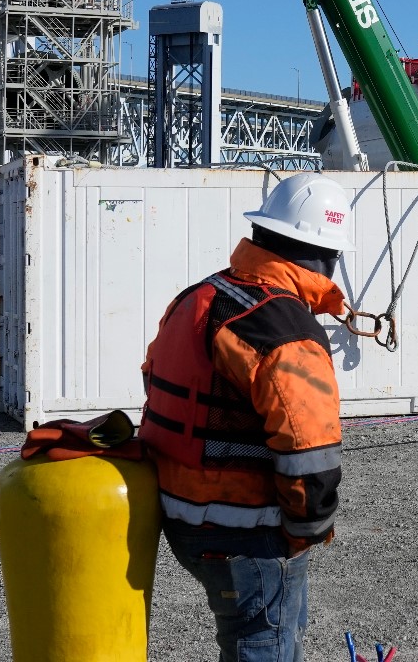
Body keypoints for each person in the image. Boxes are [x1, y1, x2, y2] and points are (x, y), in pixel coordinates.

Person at [140, 173, 354, 661]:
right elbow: (310, 455)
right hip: (248, 532)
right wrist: (308, 531)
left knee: (276, 632)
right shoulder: (285, 328)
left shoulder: (197, 297)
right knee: (265, 645)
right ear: (326, 256)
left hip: (180, 516)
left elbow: (155, 381)